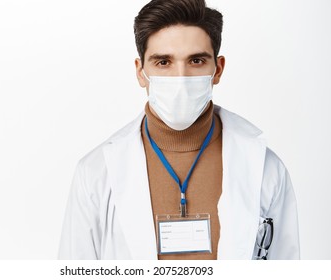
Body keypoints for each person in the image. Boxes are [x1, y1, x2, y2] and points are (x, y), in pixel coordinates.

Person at [58, 0, 300, 260]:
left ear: (217, 69)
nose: (180, 78)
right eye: (163, 62)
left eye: (196, 60)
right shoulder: (95, 173)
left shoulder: (266, 169)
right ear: (141, 72)